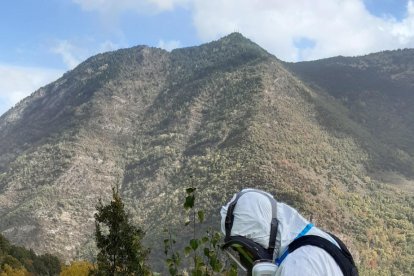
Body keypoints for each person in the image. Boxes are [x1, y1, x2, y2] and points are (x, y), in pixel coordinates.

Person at [220, 188, 358, 276]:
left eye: (245, 250)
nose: (246, 257)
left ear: (261, 235)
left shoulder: (298, 264)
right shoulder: (315, 240)